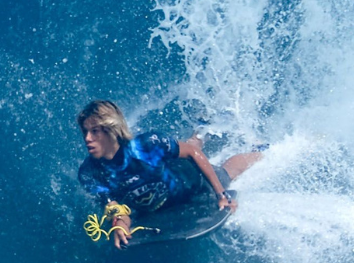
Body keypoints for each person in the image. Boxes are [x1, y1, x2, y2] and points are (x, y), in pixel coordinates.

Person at [76, 99, 264, 248]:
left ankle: (261, 152)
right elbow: (114, 207)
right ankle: (201, 128)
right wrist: (120, 226)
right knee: (186, 147)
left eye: (95, 131)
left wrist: (221, 194)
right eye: (85, 132)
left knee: (225, 171)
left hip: (189, 181)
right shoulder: (91, 173)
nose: (87, 139)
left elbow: (192, 153)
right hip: (161, 197)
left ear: (111, 129)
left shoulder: (146, 146)